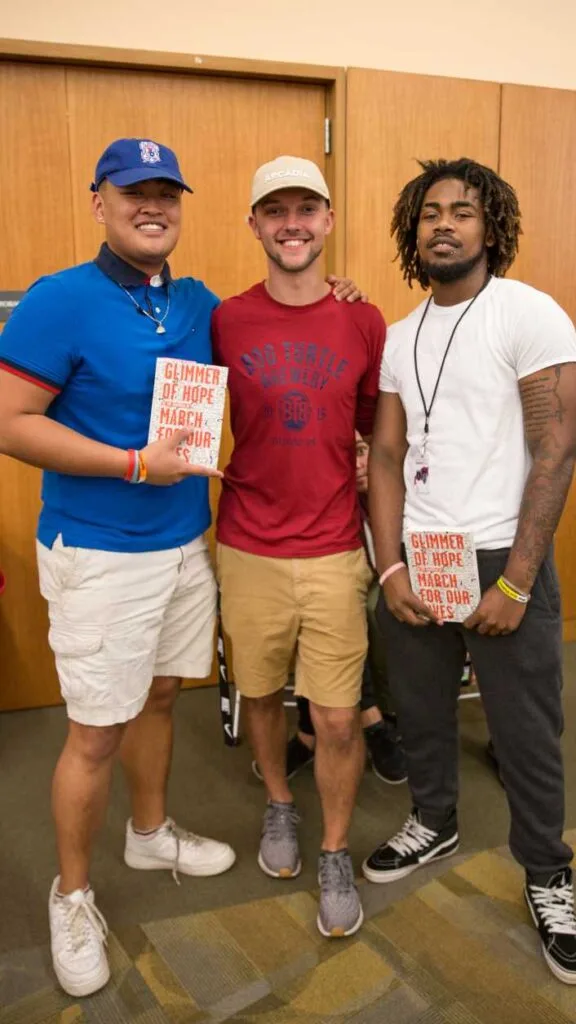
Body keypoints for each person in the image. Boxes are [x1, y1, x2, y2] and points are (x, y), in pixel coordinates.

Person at [0, 138, 363, 998]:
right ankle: (74, 894)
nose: (151, 205)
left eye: (166, 192)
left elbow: (284, 313)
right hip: (97, 550)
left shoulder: (199, 303)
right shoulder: (59, 300)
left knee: (161, 695)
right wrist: (131, 463)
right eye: (133, 193)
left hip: (183, 544)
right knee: (94, 730)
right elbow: (11, 423)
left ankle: (150, 830)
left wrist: (337, 292)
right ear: (100, 203)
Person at [363, 157, 576, 985]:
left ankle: (549, 870)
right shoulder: (399, 335)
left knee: (526, 730)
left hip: (500, 553)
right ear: (412, 231)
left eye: (462, 212)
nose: (444, 224)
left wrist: (518, 579)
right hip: (421, 555)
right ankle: (435, 820)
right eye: (429, 213)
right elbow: (385, 451)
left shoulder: (528, 312)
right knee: (420, 713)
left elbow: (555, 447)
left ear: (493, 228)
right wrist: (389, 570)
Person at [212, 156, 386, 940]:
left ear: (328, 221)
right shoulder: (223, 319)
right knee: (259, 691)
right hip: (246, 543)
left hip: (332, 545)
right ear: (254, 223)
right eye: (274, 210)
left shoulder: (363, 317)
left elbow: (380, 433)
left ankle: (335, 848)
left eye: (306, 209)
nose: (292, 223)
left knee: (340, 718)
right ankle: (280, 801)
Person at [252, 433, 407, 786]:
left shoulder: (401, 488)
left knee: (354, 613)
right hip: (337, 586)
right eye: (347, 457)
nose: (358, 464)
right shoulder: (327, 503)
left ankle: (311, 733)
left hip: (392, 584)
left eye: (363, 451)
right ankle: (370, 721)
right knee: (321, 607)